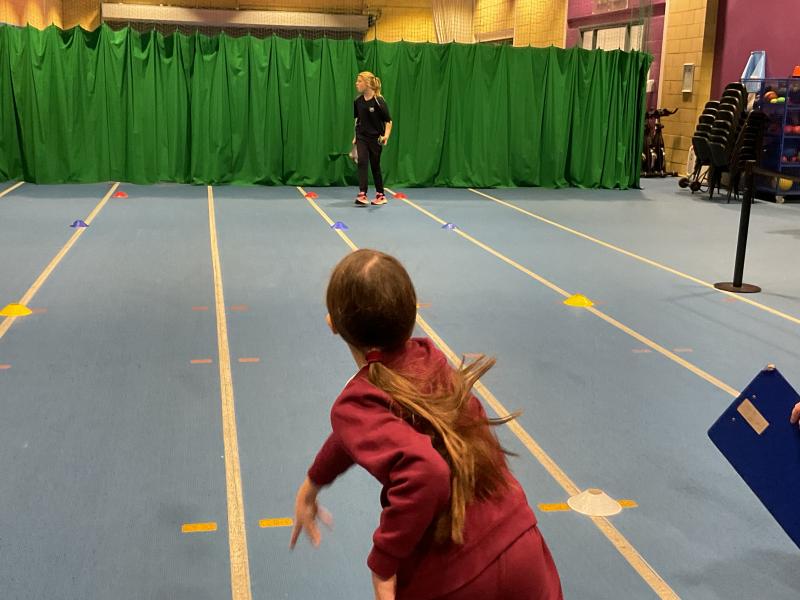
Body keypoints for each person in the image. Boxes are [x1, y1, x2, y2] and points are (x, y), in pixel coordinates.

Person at [290, 249, 563, 600]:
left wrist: (383, 563)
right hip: (521, 543)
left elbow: (426, 472)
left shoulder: (358, 402)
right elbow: (360, 432)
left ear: (333, 324)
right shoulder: (431, 361)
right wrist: (314, 482)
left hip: (456, 575)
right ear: (411, 315)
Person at [352, 72, 392, 206]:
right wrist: (355, 136)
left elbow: (388, 121)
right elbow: (357, 119)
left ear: (368, 84)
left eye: (359, 81)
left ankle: (380, 195)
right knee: (362, 161)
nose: (356, 84)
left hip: (375, 138)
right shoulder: (357, 101)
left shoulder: (379, 101)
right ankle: (362, 193)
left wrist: (386, 136)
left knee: (375, 165)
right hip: (361, 137)